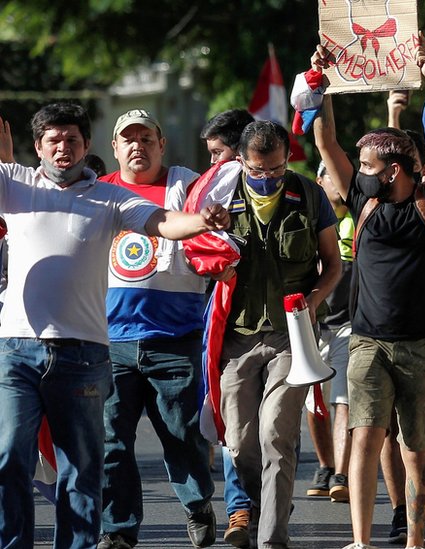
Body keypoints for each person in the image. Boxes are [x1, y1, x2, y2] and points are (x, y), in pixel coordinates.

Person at [0, 102, 228, 549]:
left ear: (87, 145)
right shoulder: (15, 184)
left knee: (83, 467)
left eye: (71, 139)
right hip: (16, 351)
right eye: (53, 140)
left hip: (83, 355)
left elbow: (163, 221)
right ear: (38, 147)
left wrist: (202, 220)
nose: (62, 148)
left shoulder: (111, 197)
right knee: (9, 457)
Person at [312, 44, 425, 549]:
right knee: (365, 440)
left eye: (367, 161)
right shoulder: (362, 198)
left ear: (393, 169)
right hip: (367, 344)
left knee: (417, 448)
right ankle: (361, 540)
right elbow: (326, 139)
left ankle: (415, 538)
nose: (359, 167)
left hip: (423, 345)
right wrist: (324, 83)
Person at [216, 120, 342, 548]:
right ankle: (265, 499)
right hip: (236, 336)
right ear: (241, 161)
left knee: (275, 433)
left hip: (291, 336)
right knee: (238, 442)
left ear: (287, 159)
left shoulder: (309, 195)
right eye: (257, 170)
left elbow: (333, 263)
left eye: (275, 169)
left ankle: (272, 537)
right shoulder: (220, 195)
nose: (266, 178)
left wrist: (314, 299)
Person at [97, 109, 217, 549]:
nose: (137, 146)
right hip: (111, 340)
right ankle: (118, 530)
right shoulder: (100, 192)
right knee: (112, 441)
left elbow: (214, 228)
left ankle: (197, 502)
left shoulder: (185, 184)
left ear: (161, 144)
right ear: (114, 148)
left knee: (182, 432)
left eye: (146, 138)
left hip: (174, 337)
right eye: (128, 140)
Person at [197, 107, 255, 547]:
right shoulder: (213, 193)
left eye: (220, 153)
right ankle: (240, 511)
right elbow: (198, 243)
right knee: (233, 420)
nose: (215, 164)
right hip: (231, 326)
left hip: (277, 328)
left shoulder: (294, 192)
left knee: (273, 428)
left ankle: (267, 500)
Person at [304, 160, 354, 505]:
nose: (338, 182)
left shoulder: (358, 217)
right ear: (320, 180)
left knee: (343, 400)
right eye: (331, 176)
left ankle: (342, 472)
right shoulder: (308, 219)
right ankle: (325, 465)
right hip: (313, 324)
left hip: (351, 324)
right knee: (314, 402)